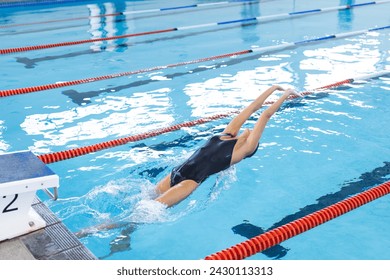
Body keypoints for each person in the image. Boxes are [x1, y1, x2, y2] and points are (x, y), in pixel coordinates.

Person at [154, 85, 302, 207]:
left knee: (152, 209)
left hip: (189, 182)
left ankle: (128, 236)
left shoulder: (246, 149)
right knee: (146, 199)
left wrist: (287, 94)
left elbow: (265, 115)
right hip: (176, 171)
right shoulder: (228, 134)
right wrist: (274, 88)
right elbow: (252, 107)